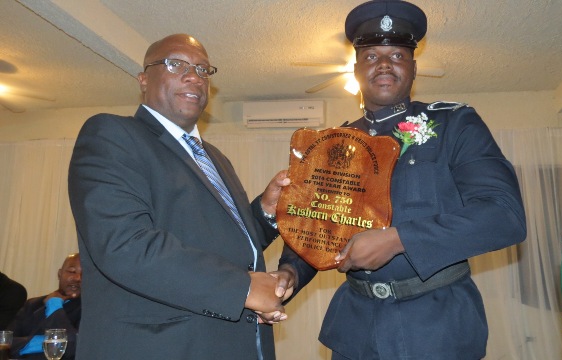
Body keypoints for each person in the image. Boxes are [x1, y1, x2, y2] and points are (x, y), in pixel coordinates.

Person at [274, 1, 527, 359]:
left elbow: (504, 216)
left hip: (438, 329)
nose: (384, 64)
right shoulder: (334, 144)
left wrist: (398, 240)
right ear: (357, 69)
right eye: (371, 55)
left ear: (413, 67)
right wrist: (289, 273)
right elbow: (316, 230)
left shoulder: (455, 124)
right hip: (355, 332)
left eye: (397, 54)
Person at [68, 34, 290, 360]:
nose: (193, 76)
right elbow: (124, 245)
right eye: (176, 64)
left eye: (203, 69)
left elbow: (224, 244)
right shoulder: (112, 135)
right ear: (143, 79)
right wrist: (242, 288)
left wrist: (267, 211)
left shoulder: (215, 159)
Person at [7, 253, 81, 359]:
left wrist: (54, 304)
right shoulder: (32, 305)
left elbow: (72, 346)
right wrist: (46, 342)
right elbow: (6, 343)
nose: (77, 278)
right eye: (72, 271)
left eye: (84, 274)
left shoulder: (91, 310)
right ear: (60, 274)